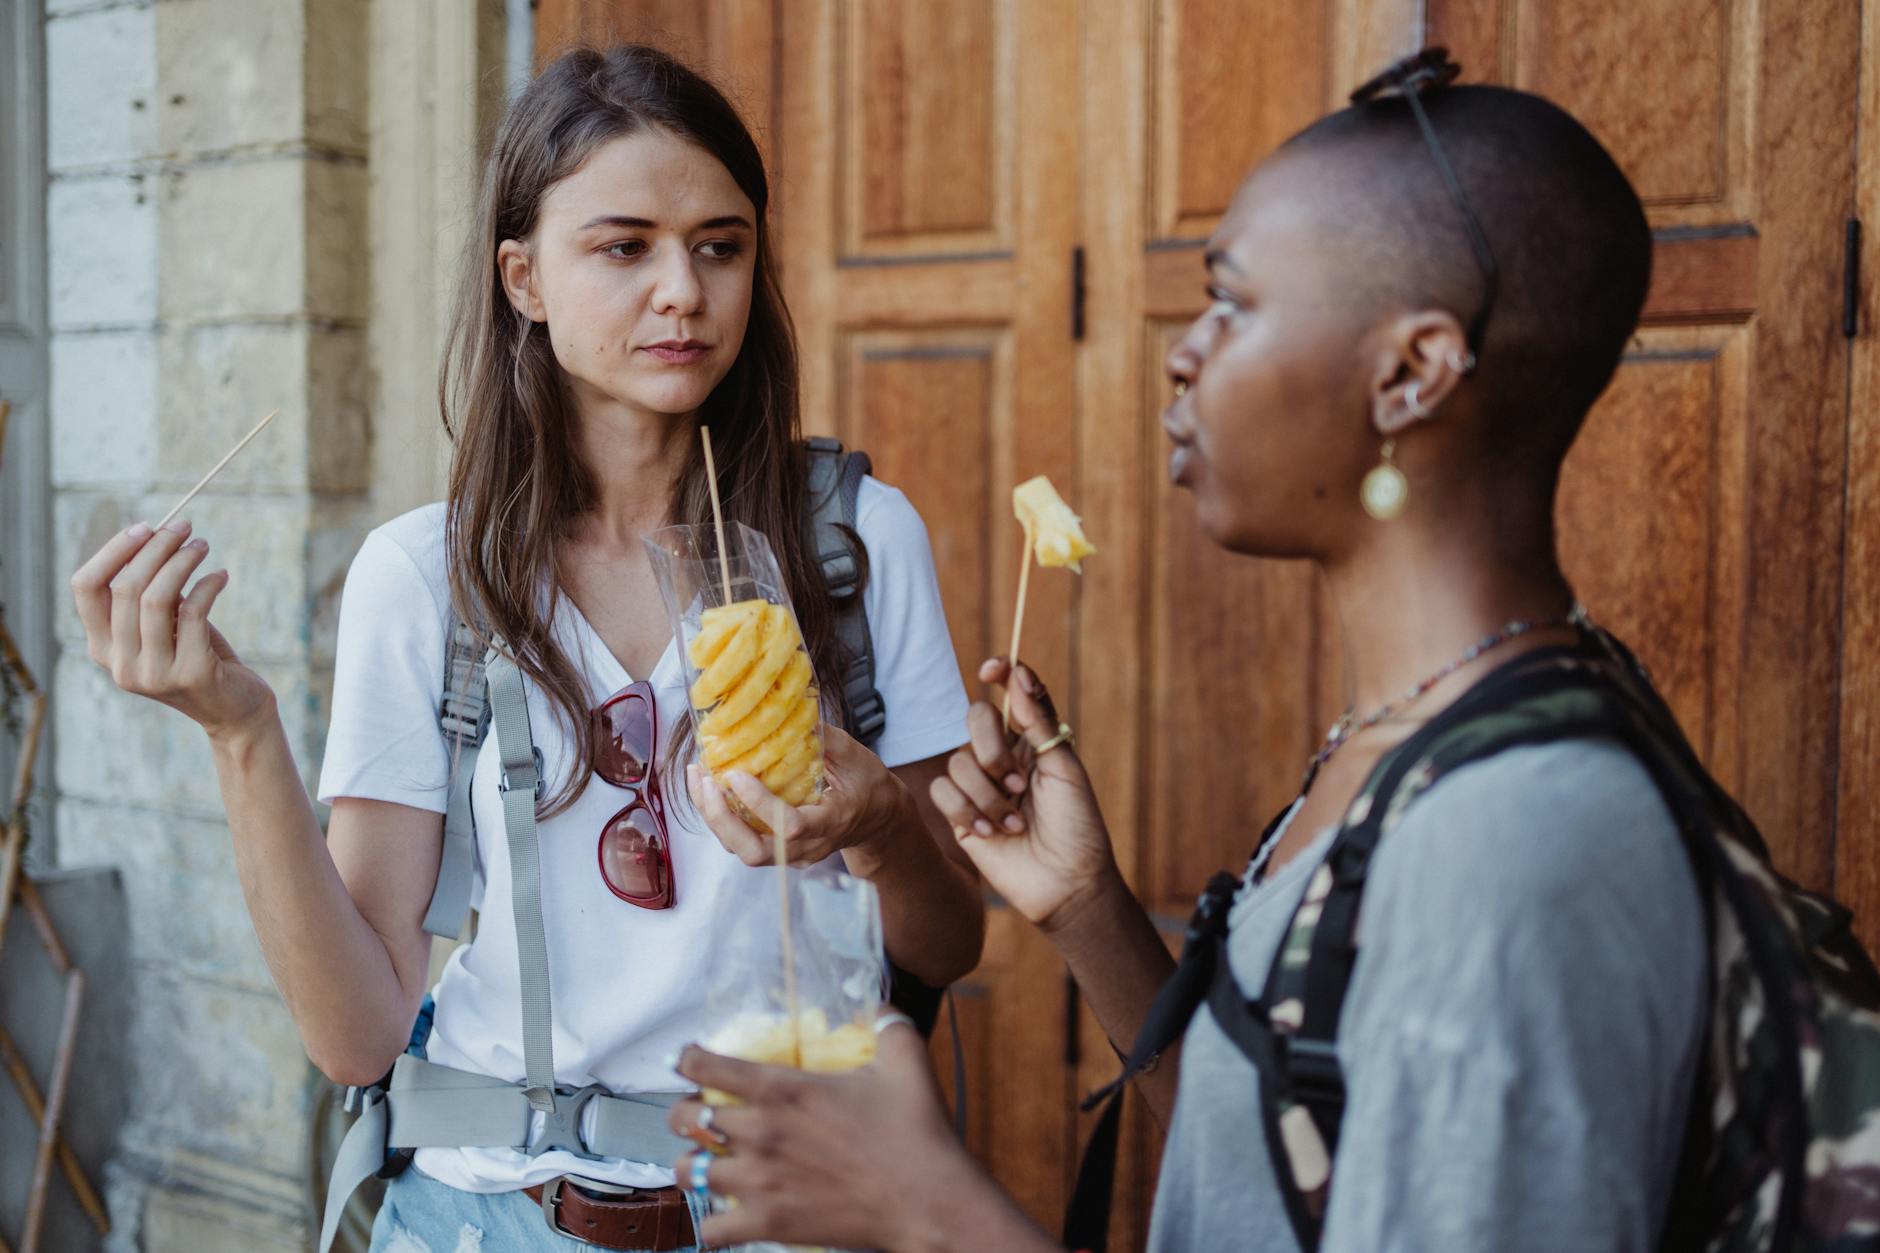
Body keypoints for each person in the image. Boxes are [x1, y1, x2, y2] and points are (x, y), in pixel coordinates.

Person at [663, 58, 1710, 1253]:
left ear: (1410, 371)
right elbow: (1271, 1164)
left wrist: (933, 1213)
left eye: (1234, 302)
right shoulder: (1405, 736)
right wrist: (1088, 912)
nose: (1180, 349)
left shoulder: (1520, 839)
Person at [68, 45, 984, 1253]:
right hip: (489, 1212)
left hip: (795, 1206)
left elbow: (948, 939)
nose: (683, 291)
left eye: (721, 245)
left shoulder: (850, 543)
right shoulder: (427, 578)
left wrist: (873, 822)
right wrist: (240, 730)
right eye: (624, 246)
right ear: (523, 277)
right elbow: (359, 1033)